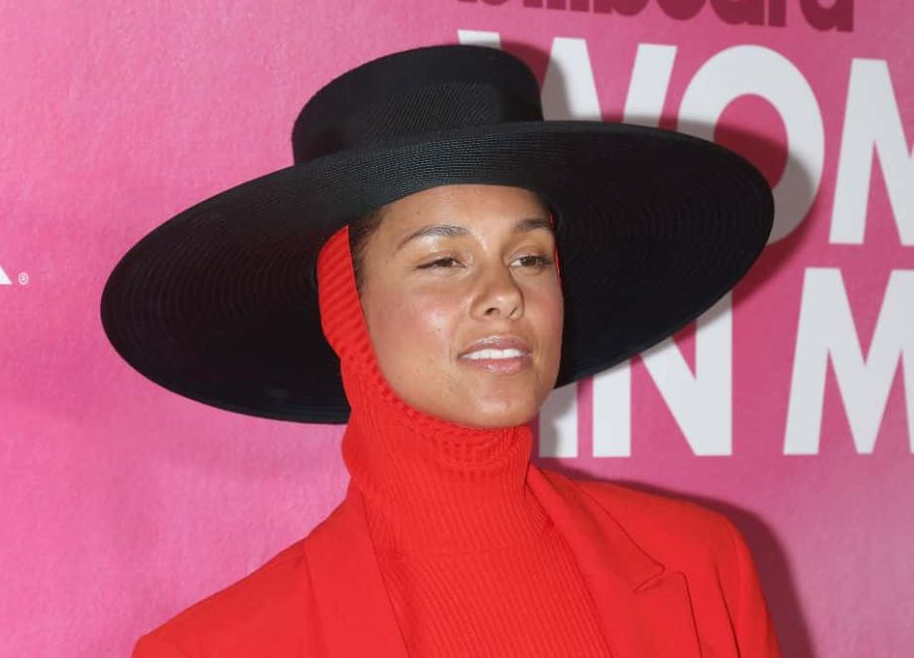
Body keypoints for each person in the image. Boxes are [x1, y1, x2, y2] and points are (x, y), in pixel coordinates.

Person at [102, 44, 781, 656]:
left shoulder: (704, 564)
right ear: (345, 305)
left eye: (530, 256)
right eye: (442, 261)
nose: (504, 293)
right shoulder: (215, 648)